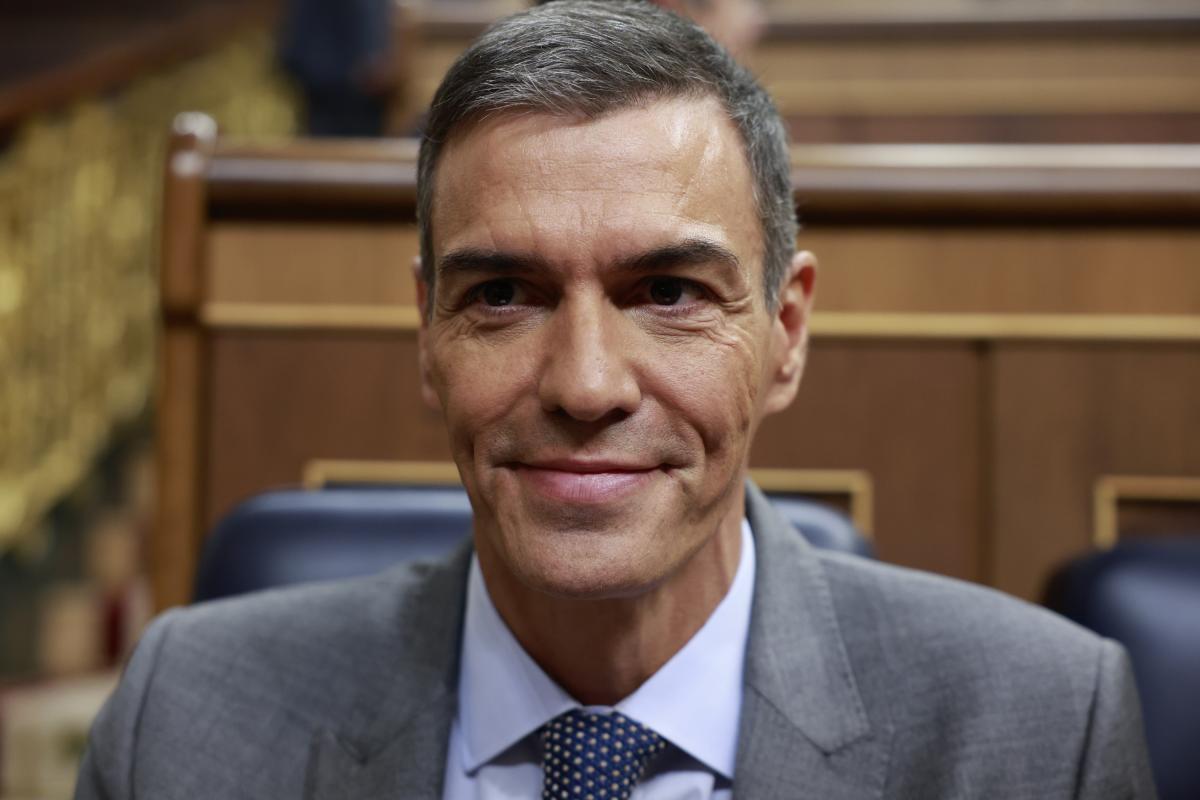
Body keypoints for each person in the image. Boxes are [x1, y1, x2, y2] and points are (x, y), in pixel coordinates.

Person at [76, 2, 1157, 798]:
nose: (586, 383)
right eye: (503, 294)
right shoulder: (185, 723)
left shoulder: (1037, 733)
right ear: (427, 334)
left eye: (669, 292)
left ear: (785, 333)